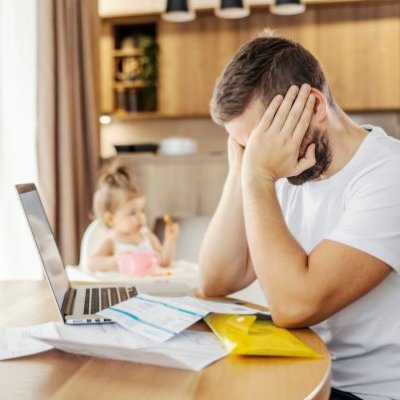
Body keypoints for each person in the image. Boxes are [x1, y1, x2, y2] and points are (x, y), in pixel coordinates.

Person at [199, 32, 400, 400]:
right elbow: (217, 278)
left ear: (314, 105)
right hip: (304, 372)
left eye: (264, 139)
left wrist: (259, 177)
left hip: (366, 393)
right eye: (247, 145)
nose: (260, 154)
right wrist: (240, 170)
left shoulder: (389, 174)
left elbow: (294, 305)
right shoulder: (286, 168)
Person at [87, 165, 179, 274]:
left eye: (142, 211)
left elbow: (164, 263)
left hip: (150, 287)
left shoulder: (148, 238)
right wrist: (115, 259)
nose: (140, 216)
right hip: (124, 289)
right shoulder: (112, 242)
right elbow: (92, 263)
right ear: (111, 219)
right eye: (132, 213)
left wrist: (170, 240)